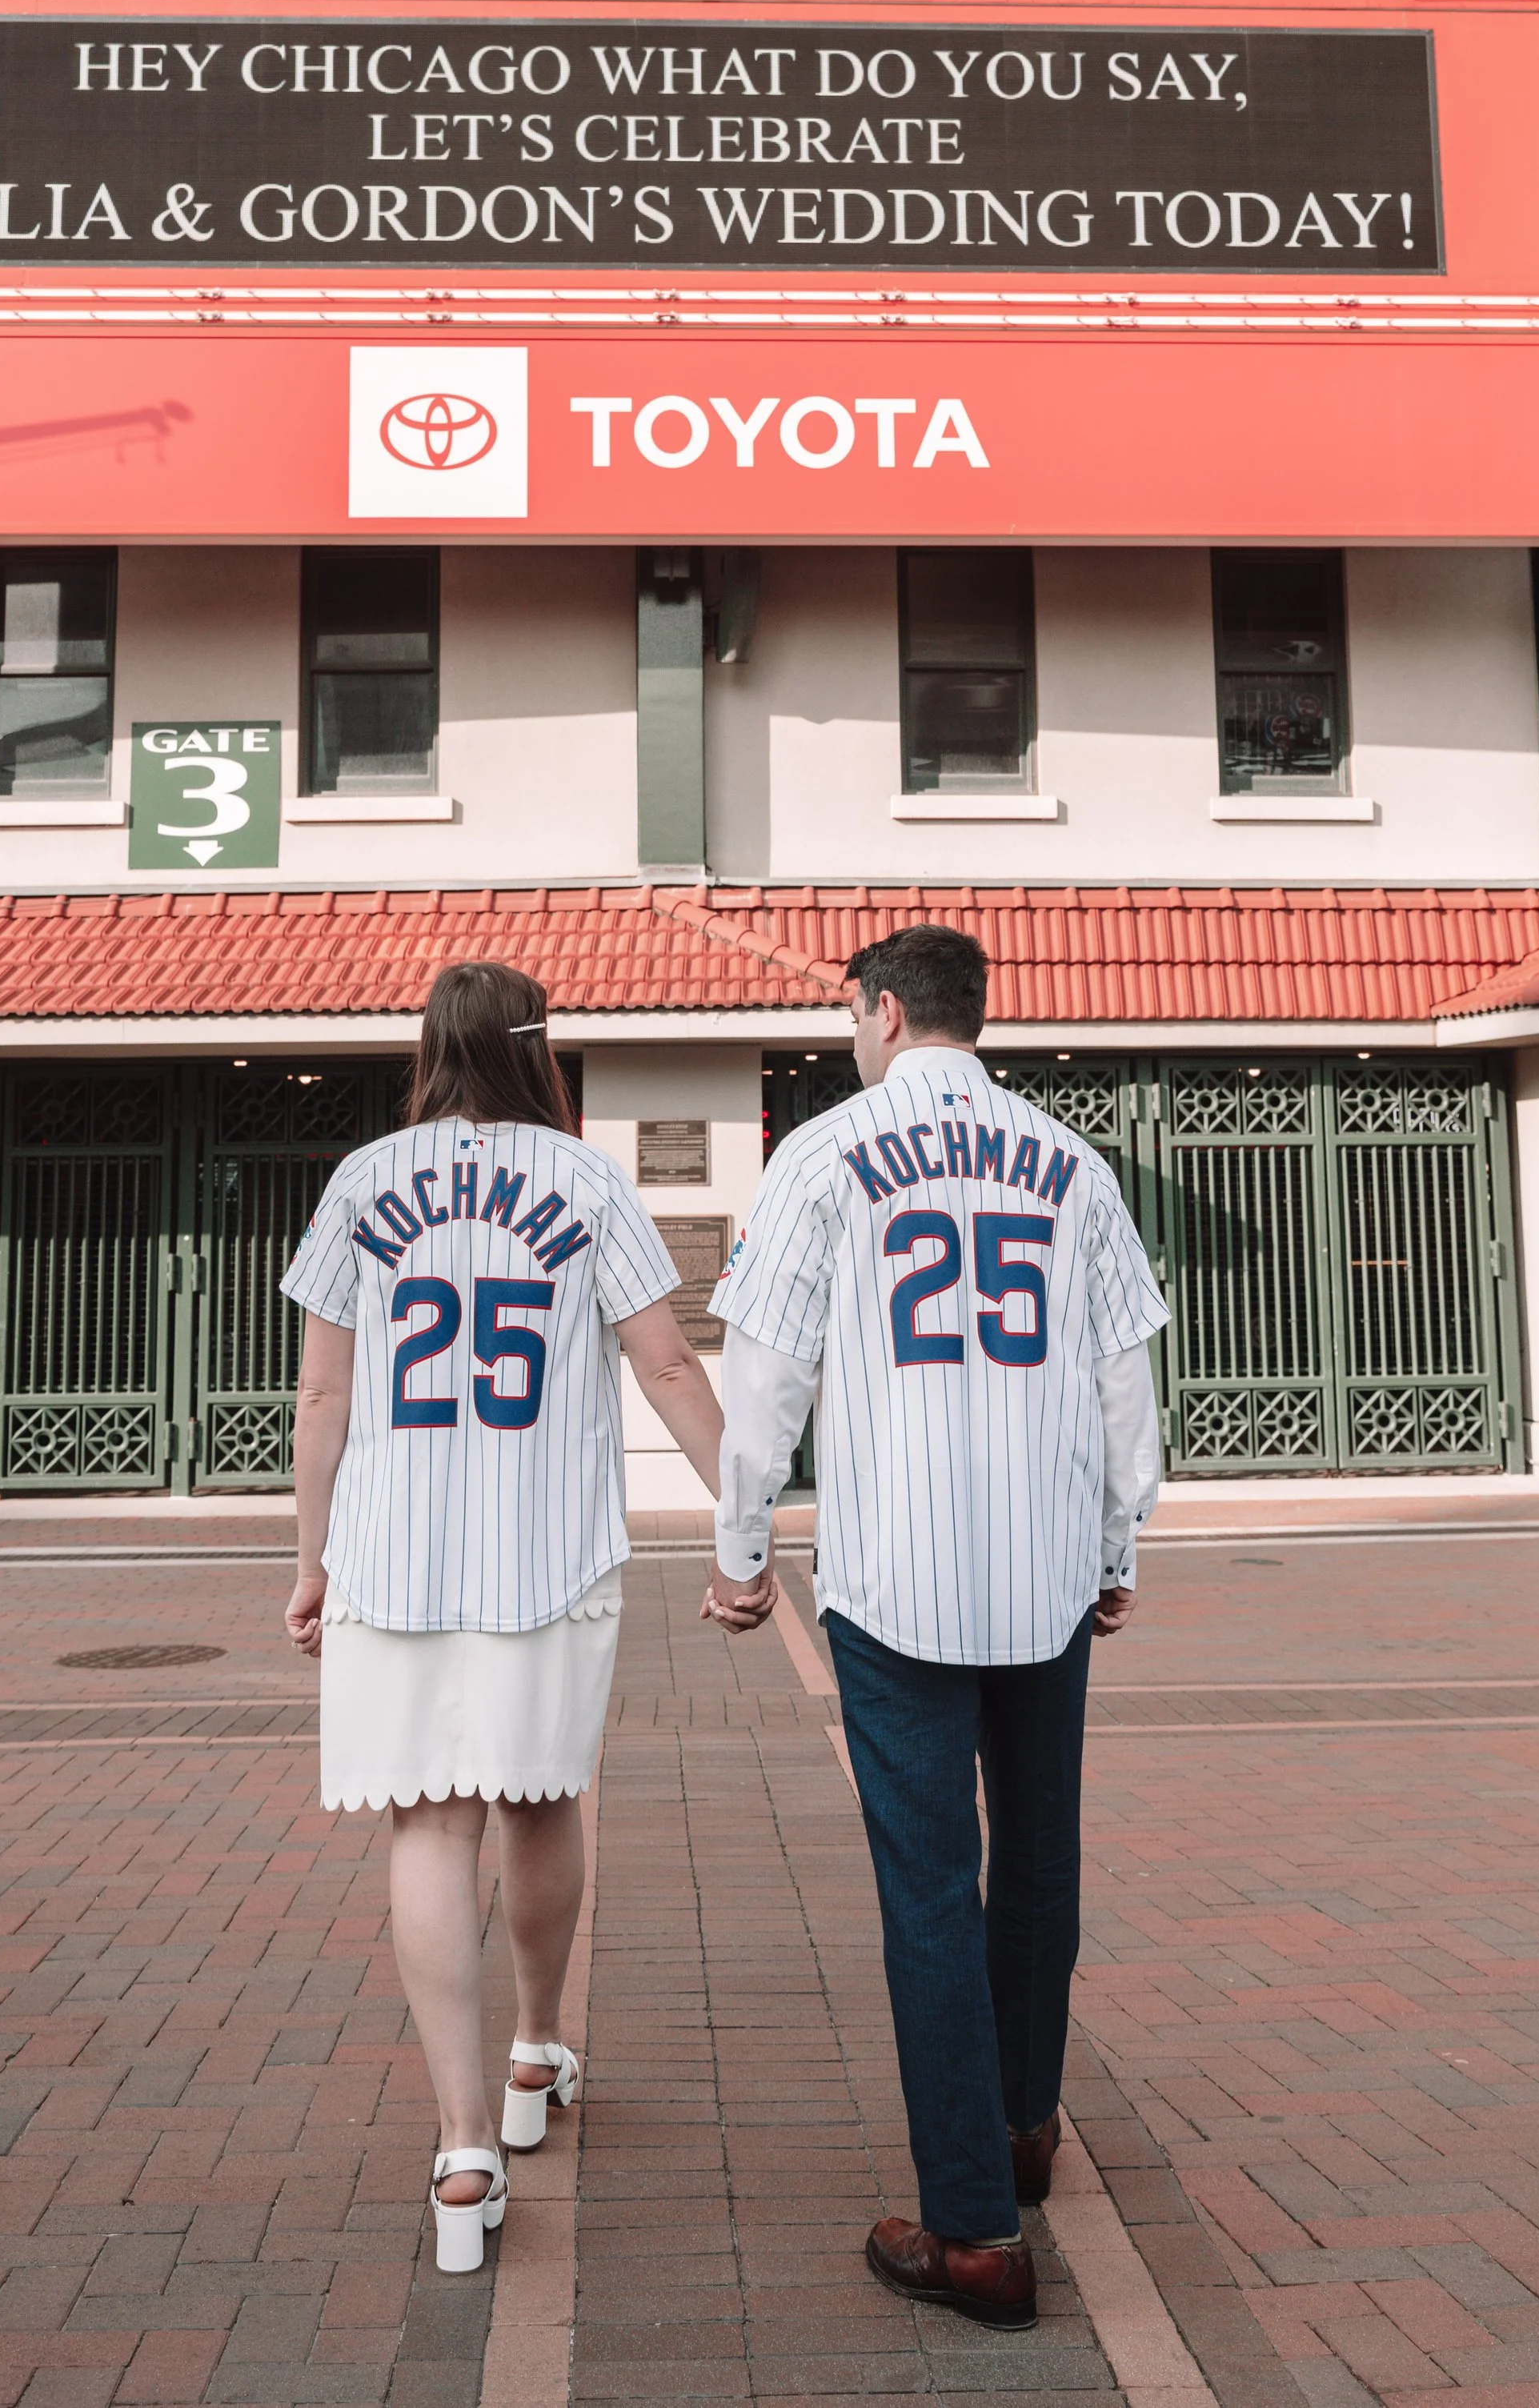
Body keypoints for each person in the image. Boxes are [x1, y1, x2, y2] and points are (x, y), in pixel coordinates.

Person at [701, 923, 1167, 2334]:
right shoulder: (1072, 1162)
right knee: (1037, 1859)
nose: (852, 1035)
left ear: (889, 1012)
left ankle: (972, 2230)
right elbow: (1119, 1379)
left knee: (929, 1891)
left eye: (854, 1014)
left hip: (897, 1579)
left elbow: (768, 1376)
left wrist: (741, 1552)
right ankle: (1026, 2125)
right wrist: (1114, 1539)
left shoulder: (821, 1156)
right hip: (1040, 1577)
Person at [281, 960, 729, 2275]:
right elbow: (665, 1360)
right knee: (540, 1801)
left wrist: (309, 1560)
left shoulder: (363, 1179)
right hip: (547, 1552)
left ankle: (465, 2143)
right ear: (541, 1052)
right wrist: (744, 1514)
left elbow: (322, 1398)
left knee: (431, 1820)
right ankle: (537, 2046)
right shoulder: (589, 1182)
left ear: (432, 1048)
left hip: (394, 1553)